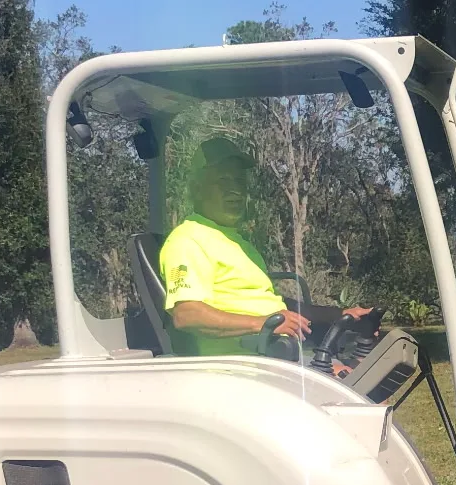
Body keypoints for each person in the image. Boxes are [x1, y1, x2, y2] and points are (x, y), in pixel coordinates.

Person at [158, 137, 369, 363]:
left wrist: (341, 314)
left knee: (372, 366)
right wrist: (265, 323)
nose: (235, 190)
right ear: (197, 189)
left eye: (239, 182)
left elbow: (274, 303)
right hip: (238, 367)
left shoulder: (238, 242)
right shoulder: (187, 240)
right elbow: (187, 315)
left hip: (275, 356)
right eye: (223, 181)